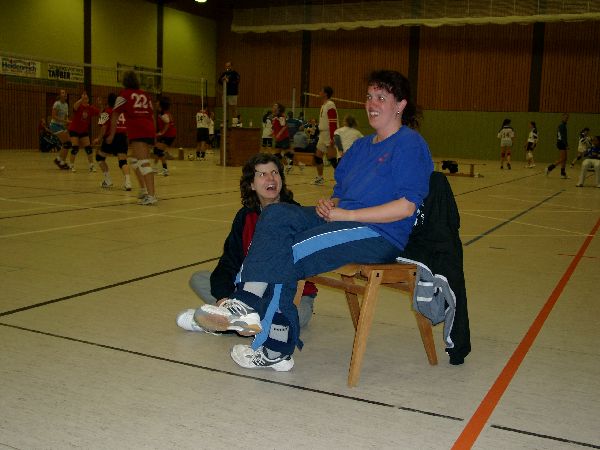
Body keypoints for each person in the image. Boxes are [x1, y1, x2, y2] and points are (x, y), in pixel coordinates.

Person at [192, 70, 433, 371]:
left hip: (378, 233)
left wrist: (347, 214)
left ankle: (270, 338)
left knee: (288, 251)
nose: (372, 104)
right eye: (369, 97)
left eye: (381, 98)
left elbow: (406, 207)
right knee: (277, 214)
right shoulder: (360, 147)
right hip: (342, 220)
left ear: (400, 105)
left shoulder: (409, 144)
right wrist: (331, 204)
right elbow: (341, 194)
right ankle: (251, 309)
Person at [177, 152, 318, 336]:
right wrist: (222, 298)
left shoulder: (295, 214)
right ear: (251, 184)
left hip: (288, 293)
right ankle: (237, 316)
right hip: (248, 290)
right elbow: (229, 262)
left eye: (274, 173)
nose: (271, 178)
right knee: (199, 279)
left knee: (297, 317)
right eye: (262, 174)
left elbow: (301, 268)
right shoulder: (245, 217)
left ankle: (224, 321)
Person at [107, 70, 157, 205]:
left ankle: (151, 196)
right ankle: (144, 190)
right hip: (148, 128)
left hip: (137, 130)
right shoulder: (145, 95)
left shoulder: (123, 95)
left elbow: (114, 116)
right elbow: (152, 115)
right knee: (135, 161)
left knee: (143, 162)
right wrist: (154, 133)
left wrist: (111, 134)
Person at [93, 93, 133, 191]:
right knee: (123, 161)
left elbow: (103, 126)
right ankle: (128, 183)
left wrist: (98, 138)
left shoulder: (107, 111)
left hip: (110, 137)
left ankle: (108, 180)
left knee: (99, 157)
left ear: (108, 101)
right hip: (122, 137)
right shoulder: (122, 112)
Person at [66, 91, 101, 173]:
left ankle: (91, 165)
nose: (85, 98)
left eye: (86, 97)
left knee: (88, 149)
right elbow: (74, 106)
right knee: (75, 148)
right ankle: (71, 165)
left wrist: (100, 105)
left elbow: (100, 113)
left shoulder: (91, 108)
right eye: (83, 97)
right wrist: (81, 99)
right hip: (74, 130)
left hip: (83, 131)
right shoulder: (78, 106)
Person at [312, 86, 338, 185]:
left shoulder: (330, 105)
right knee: (318, 157)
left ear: (325, 94)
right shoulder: (324, 105)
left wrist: (332, 137)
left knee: (332, 159)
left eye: (321, 91)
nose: (319, 92)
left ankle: (343, 179)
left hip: (328, 134)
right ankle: (320, 178)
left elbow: (333, 122)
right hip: (322, 135)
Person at [154, 97, 177, 176]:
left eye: (157, 102)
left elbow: (167, 123)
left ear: (161, 104)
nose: (156, 103)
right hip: (168, 135)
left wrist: (161, 133)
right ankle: (155, 168)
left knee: (159, 151)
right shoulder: (162, 113)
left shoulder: (163, 114)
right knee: (156, 150)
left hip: (169, 135)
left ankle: (165, 170)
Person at [50, 89, 71, 169]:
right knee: (67, 143)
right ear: (60, 95)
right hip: (55, 125)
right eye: (63, 93)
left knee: (67, 144)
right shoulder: (57, 104)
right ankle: (58, 159)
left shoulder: (66, 105)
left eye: (65, 92)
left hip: (61, 126)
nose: (65, 94)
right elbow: (53, 116)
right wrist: (65, 121)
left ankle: (62, 162)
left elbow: (66, 117)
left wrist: (68, 123)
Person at [545, 113, 570, 179]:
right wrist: (566, 145)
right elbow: (562, 136)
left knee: (565, 159)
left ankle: (563, 174)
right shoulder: (562, 126)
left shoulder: (563, 125)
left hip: (562, 143)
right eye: (565, 117)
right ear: (562, 118)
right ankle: (549, 168)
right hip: (561, 143)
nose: (566, 119)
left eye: (567, 118)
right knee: (562, 159)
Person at [272, 103, 292, 167]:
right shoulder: (274, 116)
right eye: (273, 105)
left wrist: (279, 134)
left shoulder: (281, 116)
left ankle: (298, 164)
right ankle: (286, 166)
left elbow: (284, 126)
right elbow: (275, 127)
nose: (274, 106)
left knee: (288, 154)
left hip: (284, 138)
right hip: (278, 139)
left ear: (279, 108)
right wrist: (273, 133)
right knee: (277, 155)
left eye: (275, 106)